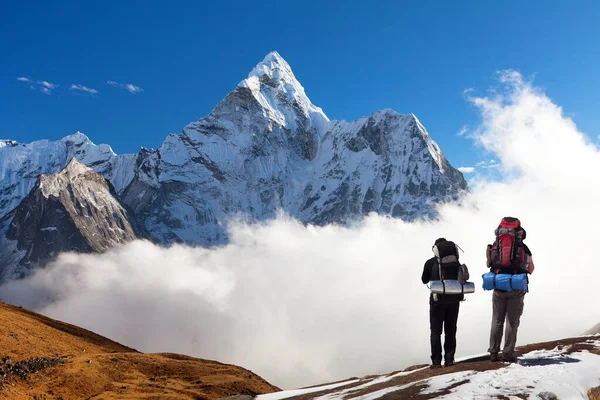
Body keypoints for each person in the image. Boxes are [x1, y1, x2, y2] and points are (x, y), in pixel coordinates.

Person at [486, 217, 535, 363]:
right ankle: (507, 353)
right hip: (516, 286)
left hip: (498, 284)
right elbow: (531, 268)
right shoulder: (523, 248)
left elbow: (489, 263)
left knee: (497, 320)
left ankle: (493, 352)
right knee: (512, 321)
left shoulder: (495, 245)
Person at [422, 238, 464, 369]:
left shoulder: (430, 263)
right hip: (454, 300)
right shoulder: (456, 263)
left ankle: (436, 362)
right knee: (451, 330)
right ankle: (449, 359)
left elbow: (424, 280)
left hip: (437, 300)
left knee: (436, 331)